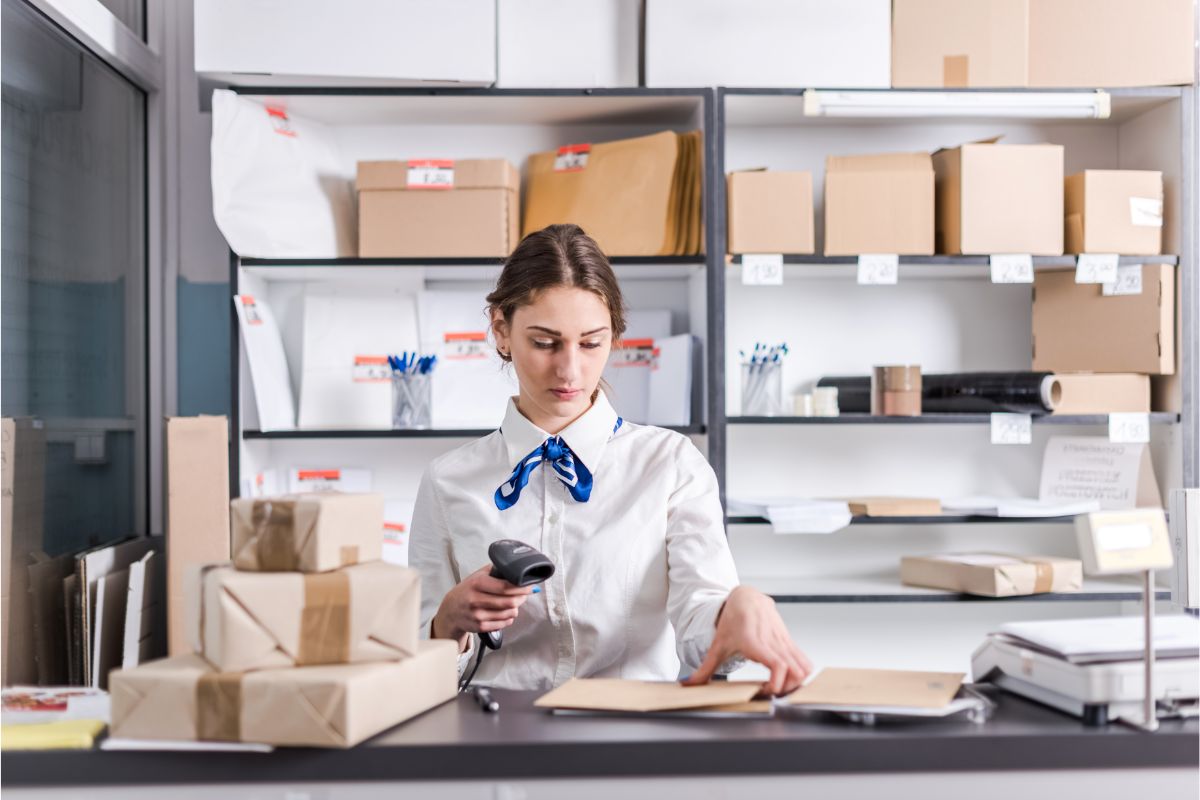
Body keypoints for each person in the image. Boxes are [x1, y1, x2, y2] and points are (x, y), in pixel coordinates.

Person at [410, 224, 812, 695]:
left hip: (629, 734)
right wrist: (447, 623)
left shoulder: (670, 464)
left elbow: (700, 625)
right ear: (501, 330)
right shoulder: (448, 480)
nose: (569, 370)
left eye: (591, 342)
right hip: (490, 736)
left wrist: (736, 610)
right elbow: (413, 667)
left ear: (615, 335)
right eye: (544, 342)